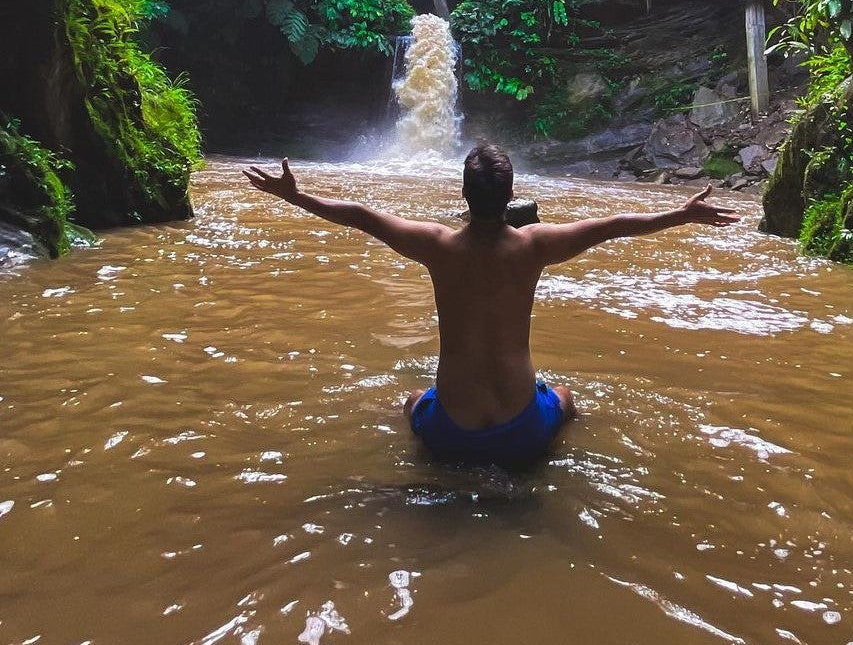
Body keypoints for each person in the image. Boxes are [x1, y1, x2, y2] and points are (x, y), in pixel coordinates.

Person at [244, 143, 738, 469]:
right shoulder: (534, 245)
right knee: (564, 395)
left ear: (463, 193)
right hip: (521, 433)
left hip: (449, 432)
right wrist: (679, 214)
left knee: (410, 401)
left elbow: (361, 216)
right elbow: (612, 224)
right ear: (510, 197)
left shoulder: (437, 245)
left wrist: (296, 197)